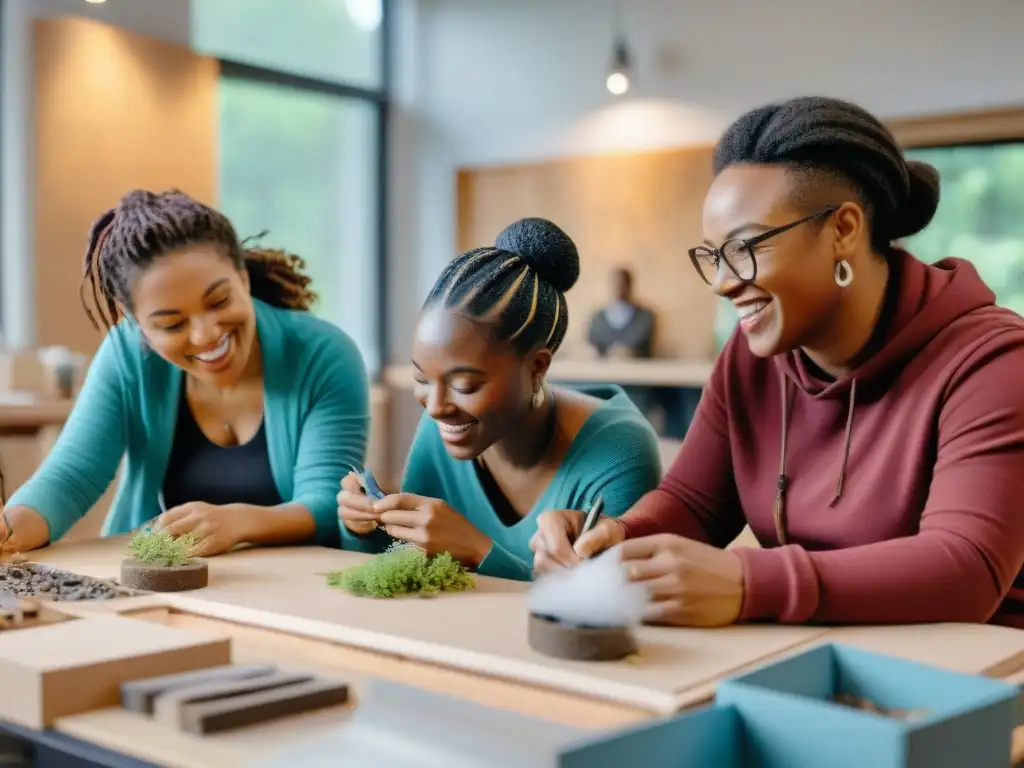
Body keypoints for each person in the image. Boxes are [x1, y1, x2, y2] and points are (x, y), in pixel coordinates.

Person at [531, 96, 1024, 629]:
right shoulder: (750, 358)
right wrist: (618, 534)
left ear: (843, 230)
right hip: (811, 656)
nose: (723, 282)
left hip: (985, 677)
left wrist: (750, 582)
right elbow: (695, 503)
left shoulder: (993, 363)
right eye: (714, 257)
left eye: (745, 248)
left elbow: (966, 570)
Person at [0, 189, 369, 559]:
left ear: (242, 278)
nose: (205, 334)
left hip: (293, 588)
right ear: (140, 327)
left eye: (219, 301)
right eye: (172, 324)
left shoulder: (322, 354)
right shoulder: (127, 354)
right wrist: (10, 527)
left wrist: (239, 522)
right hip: (154, 581)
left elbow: (325, 503)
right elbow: (73, 476)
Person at [337, 217, 662, 580]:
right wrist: (365, 527)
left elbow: (607, 604)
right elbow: (410, 562)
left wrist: (478, 551)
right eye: (422, 379)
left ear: (537, 367)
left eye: (464, 386)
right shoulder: (443, 425)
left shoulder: (620, 451)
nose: (435, 405)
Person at [586, 266, 655, 359]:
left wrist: (628, 354)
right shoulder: (598, 318)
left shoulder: (645, 318)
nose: (620, 288)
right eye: (617, 284)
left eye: (624, 284)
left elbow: (645, 349)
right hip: (603, 371)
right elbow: (592, 347)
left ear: (630, 285)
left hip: (636, 370)